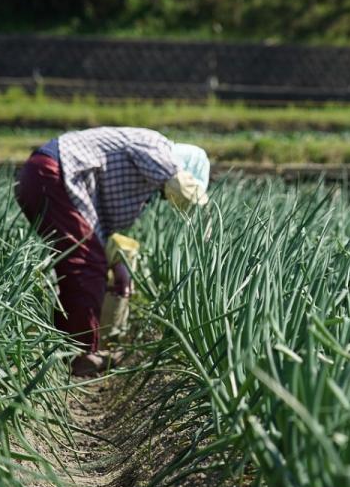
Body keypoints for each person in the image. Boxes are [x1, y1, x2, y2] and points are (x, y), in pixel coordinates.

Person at [15, 126, 209, 377]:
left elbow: (98, 232)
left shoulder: (140, 183)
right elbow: (176, 180)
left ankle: (64, 350)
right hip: (53, 174)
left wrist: (115, 262)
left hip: (46, 176)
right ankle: (81, 353)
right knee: (85, 264)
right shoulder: (159, 147)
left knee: (80, 261)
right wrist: (203, 215)